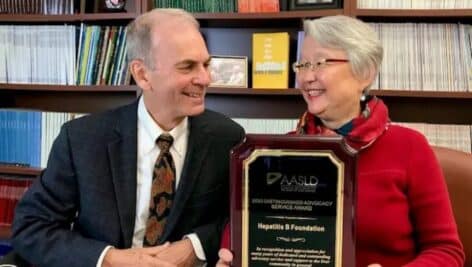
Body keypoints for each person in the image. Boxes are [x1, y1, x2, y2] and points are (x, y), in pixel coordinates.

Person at [217, 15, 465, 267]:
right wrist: (231, 253)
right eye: (301, 65)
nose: (306, 77)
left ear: (365, 73)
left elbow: (446, 250)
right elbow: (247, 226)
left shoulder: (410, 147)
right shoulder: (275, 153)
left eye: (319, 63)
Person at [10, 8, 245, 267]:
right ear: (142, 74)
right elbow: (31, 227)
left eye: (206, 64)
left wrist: (195, 245)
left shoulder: (229, 139)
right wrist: (110, 259)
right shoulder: (81, 140)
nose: (205, 78)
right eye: (187, 66)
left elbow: (236, 219)